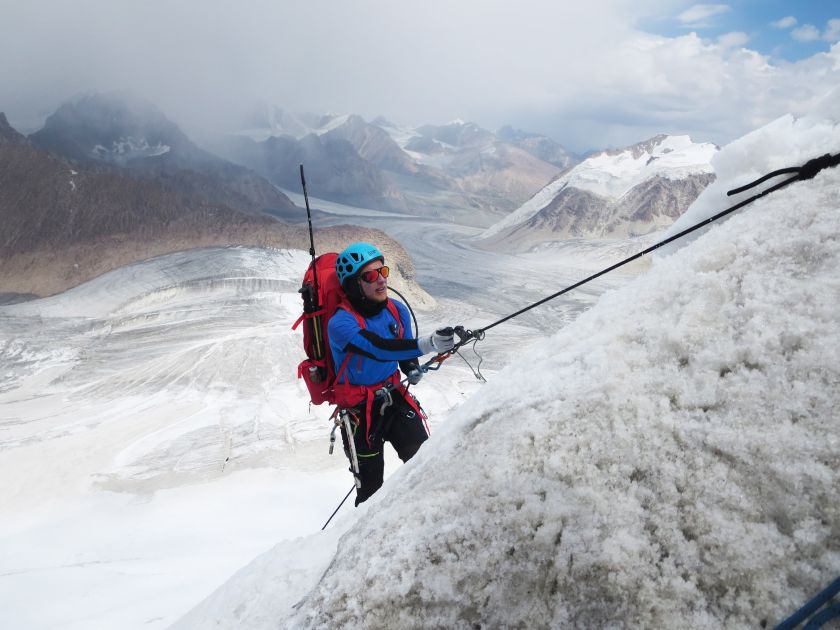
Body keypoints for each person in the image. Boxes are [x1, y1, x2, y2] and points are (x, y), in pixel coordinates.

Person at [328, 242, 457, 505]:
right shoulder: (340, 323)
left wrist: (411, 367)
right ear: (354, 285)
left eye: (382, 271)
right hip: (360, 413)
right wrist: (428, 344)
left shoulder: (396, 310)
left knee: (425, 464)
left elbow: (402, 348)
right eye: (370, 276)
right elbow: (378, 348)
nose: (381, 280)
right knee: (370, 492)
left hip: (394, 398)